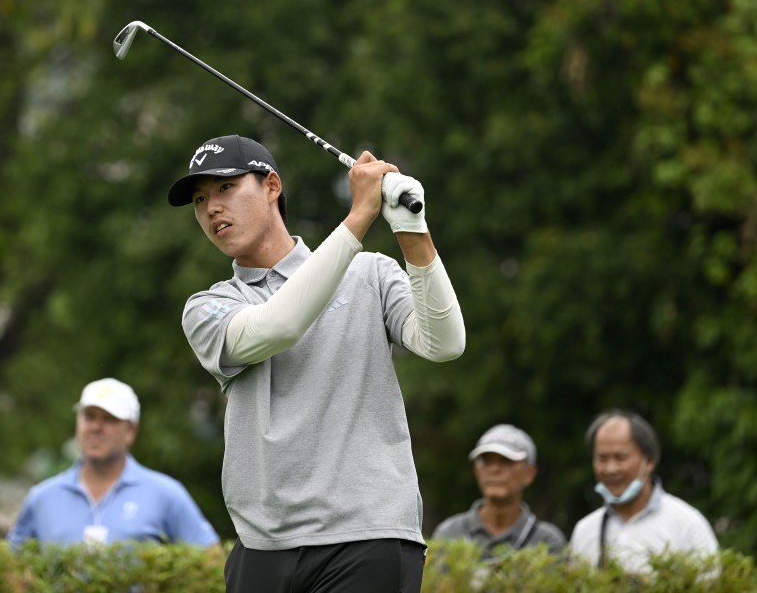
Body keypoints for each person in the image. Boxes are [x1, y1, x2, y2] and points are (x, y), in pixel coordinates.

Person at [167, 134, 466, 592]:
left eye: (225, 188)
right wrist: (360, 215)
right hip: (262, 545)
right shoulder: (210, 306)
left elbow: (444, 342)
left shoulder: (369, 273)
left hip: (368, 533)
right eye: (200, 199)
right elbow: (279, 326)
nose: (211, 209)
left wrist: (412, 228)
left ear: (271, 187)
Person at [8, 377, 220, 549]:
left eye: (109, 419)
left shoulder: (165, 494)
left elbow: (210, 561)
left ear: (131, 431)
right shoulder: (42, 497)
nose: (96, 427)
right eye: (89, 417)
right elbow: (9, 567)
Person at [569, 409, 719, 573]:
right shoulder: (585, 530)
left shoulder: (686, 524)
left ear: (648, 461)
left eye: (620, 458)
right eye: (602, 459)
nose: (610, 469)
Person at [431, 424, 566, 559]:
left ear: (529, 473)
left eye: (507, 461)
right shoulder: (449, 534)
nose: (495, 470)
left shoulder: (547, 542)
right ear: (476, 471)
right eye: (486, 461)